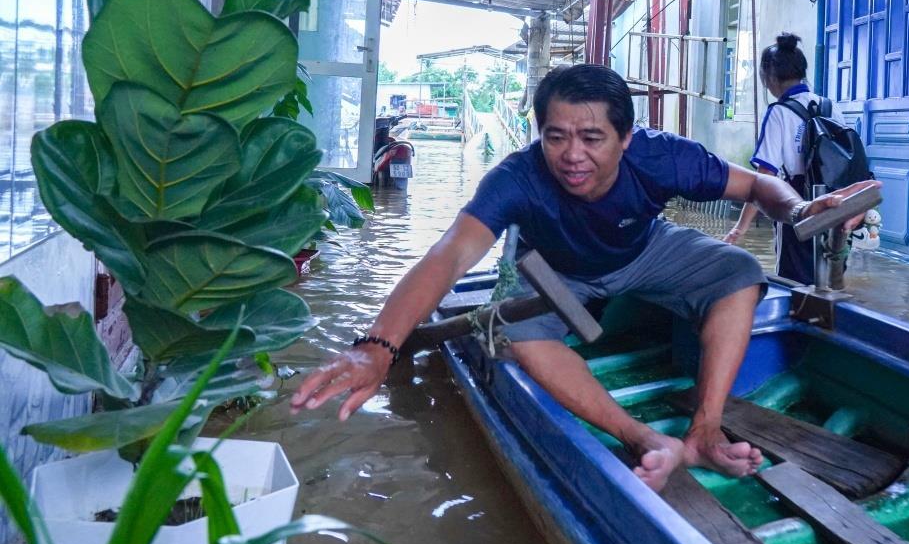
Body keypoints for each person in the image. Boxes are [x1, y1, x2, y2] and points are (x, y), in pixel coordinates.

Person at [292, 63, 875, 493]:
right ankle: (640, 437)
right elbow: (447, 257)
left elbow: (753, 185)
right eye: (556, 135)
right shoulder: (515, 178)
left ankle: (703, 431)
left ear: (624, 137)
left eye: (592, 137)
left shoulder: (660, 155)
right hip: (552, 270)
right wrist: (377, 346)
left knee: (741, 270)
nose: (572, 154)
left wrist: (797, 210)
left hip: (643, 250)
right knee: (517, 337)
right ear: (540, 132)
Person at [724, 33, 822, 286]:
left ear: (769, 77)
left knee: (795, 284)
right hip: (834, 204)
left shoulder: (779, 112)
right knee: (827, 278)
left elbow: (765, 176)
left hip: (795, 202)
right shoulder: (828, 106)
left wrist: (741, 227)